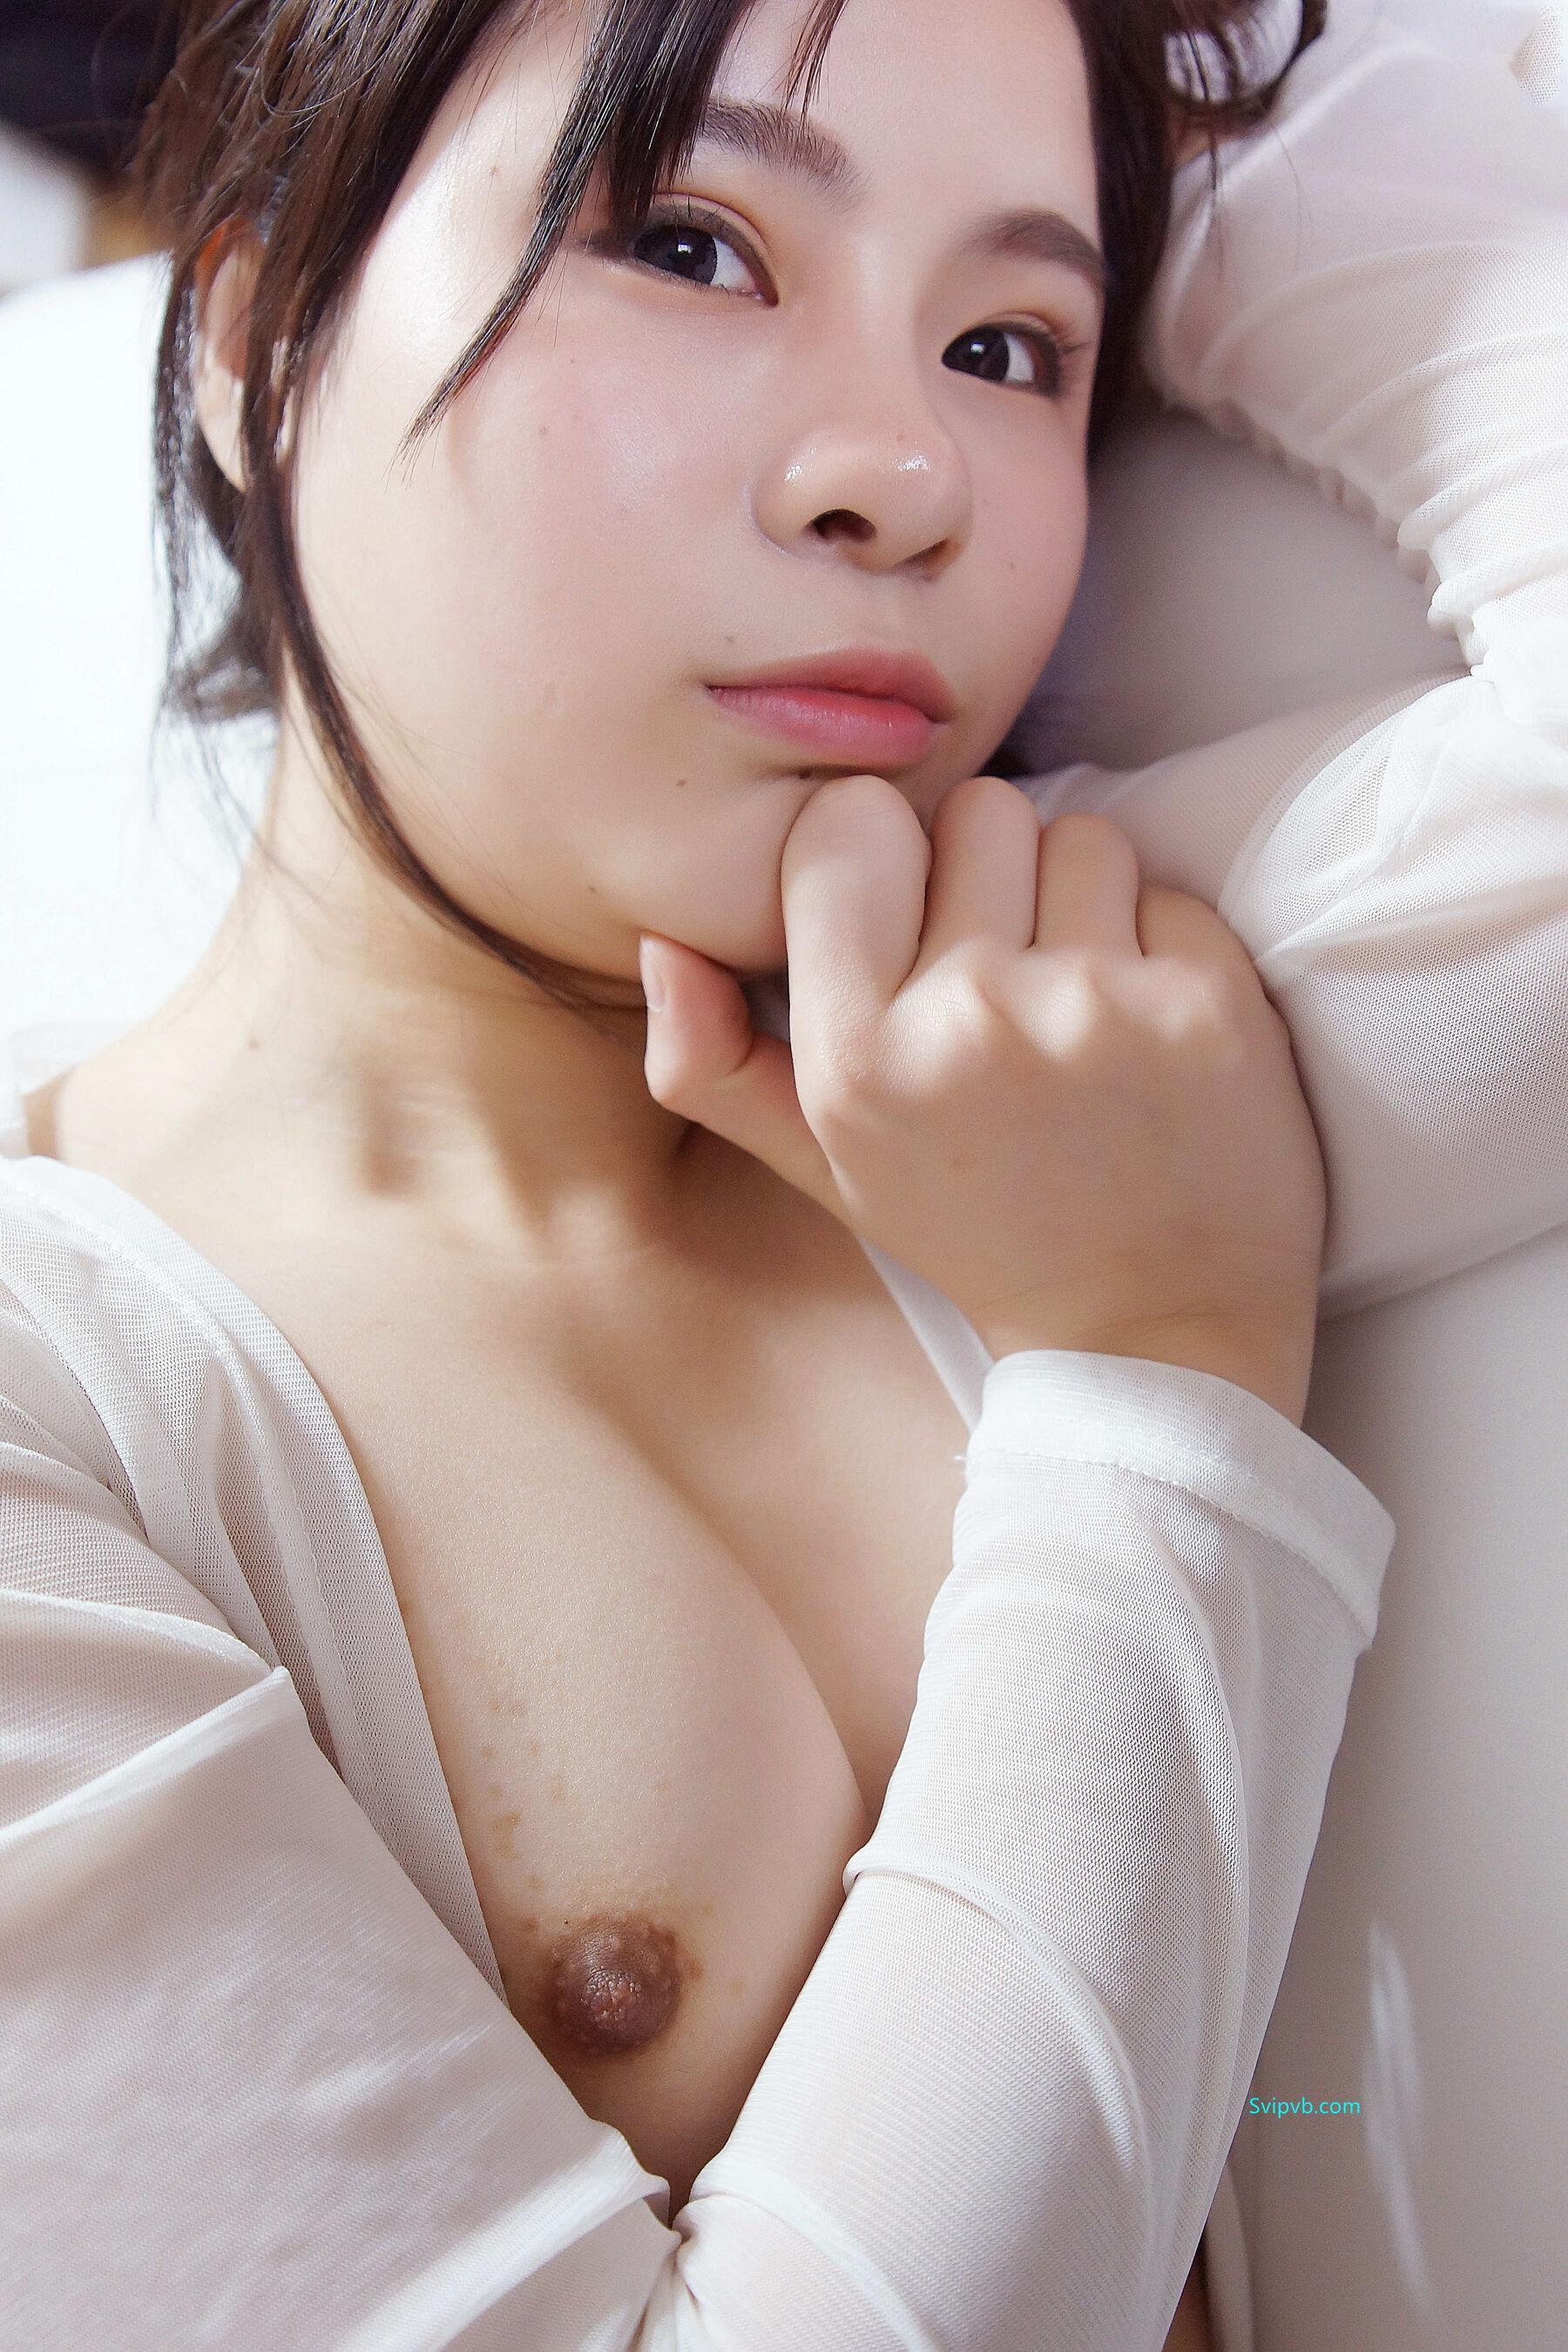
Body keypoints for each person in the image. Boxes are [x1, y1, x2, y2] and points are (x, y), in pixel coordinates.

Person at [3, 0, 1563, 2342]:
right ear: (259, 331)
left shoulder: (1041, 1044)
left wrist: (1232, 94)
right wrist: (1156, 1369)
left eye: (1010, 346)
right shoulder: (68, 1415)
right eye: (694, 246)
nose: (902, 475)